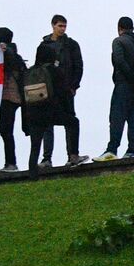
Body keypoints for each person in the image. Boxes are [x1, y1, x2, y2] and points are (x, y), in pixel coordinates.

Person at [96, 16, 134, 161]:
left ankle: (112, 149)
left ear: (119, 28)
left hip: (124, 84)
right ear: (132, 28)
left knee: (117, 116)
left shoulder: (118, 41)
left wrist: (130, 78)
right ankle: (131, 150)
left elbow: (119, 61)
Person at [41, 15, 89, 166]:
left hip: (66, 89)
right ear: (53, 26)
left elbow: (78, 66)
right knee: (48, 123)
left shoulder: (71, 45)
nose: (62, 29)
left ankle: (72, 155)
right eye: (60, 26)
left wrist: (74, 86)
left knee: (69, 120)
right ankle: (47, 158)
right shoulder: (45, 45)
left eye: (64, 26)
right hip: (50, 90)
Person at [23, 40, 75, 178]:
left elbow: (24, 99)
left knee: (34, 147)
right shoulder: (54, 71)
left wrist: (25, 123)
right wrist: (68, 111)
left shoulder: (28, 73)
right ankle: (73, 155)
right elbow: (63, 93)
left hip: (32, 114)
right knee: (73, 123)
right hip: (52, 111)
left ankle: (32, 174)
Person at [0, 27, 27, 172]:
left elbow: (10, 57)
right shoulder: (10, 53)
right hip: (10, 96)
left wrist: (5, 50)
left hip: (9, 96)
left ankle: (11, 162)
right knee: (5, 128)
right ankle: (10, 162)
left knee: (5, 128)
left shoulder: (7, 53)